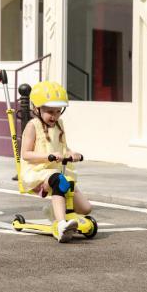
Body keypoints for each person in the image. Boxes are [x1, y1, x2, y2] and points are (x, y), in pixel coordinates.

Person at [20, 81, 92, 243]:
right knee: (59, 181)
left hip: (58, 171)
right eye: (50, 111)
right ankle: (61, 225)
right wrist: (49, 156)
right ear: (36, 109)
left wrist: (71, 153)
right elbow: (25, 154)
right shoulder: (33, 126)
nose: (55, 116)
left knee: (85, 208)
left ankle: (53, 210)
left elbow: (63, 148)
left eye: (58, 111)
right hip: (38, 173)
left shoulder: (60, 124)